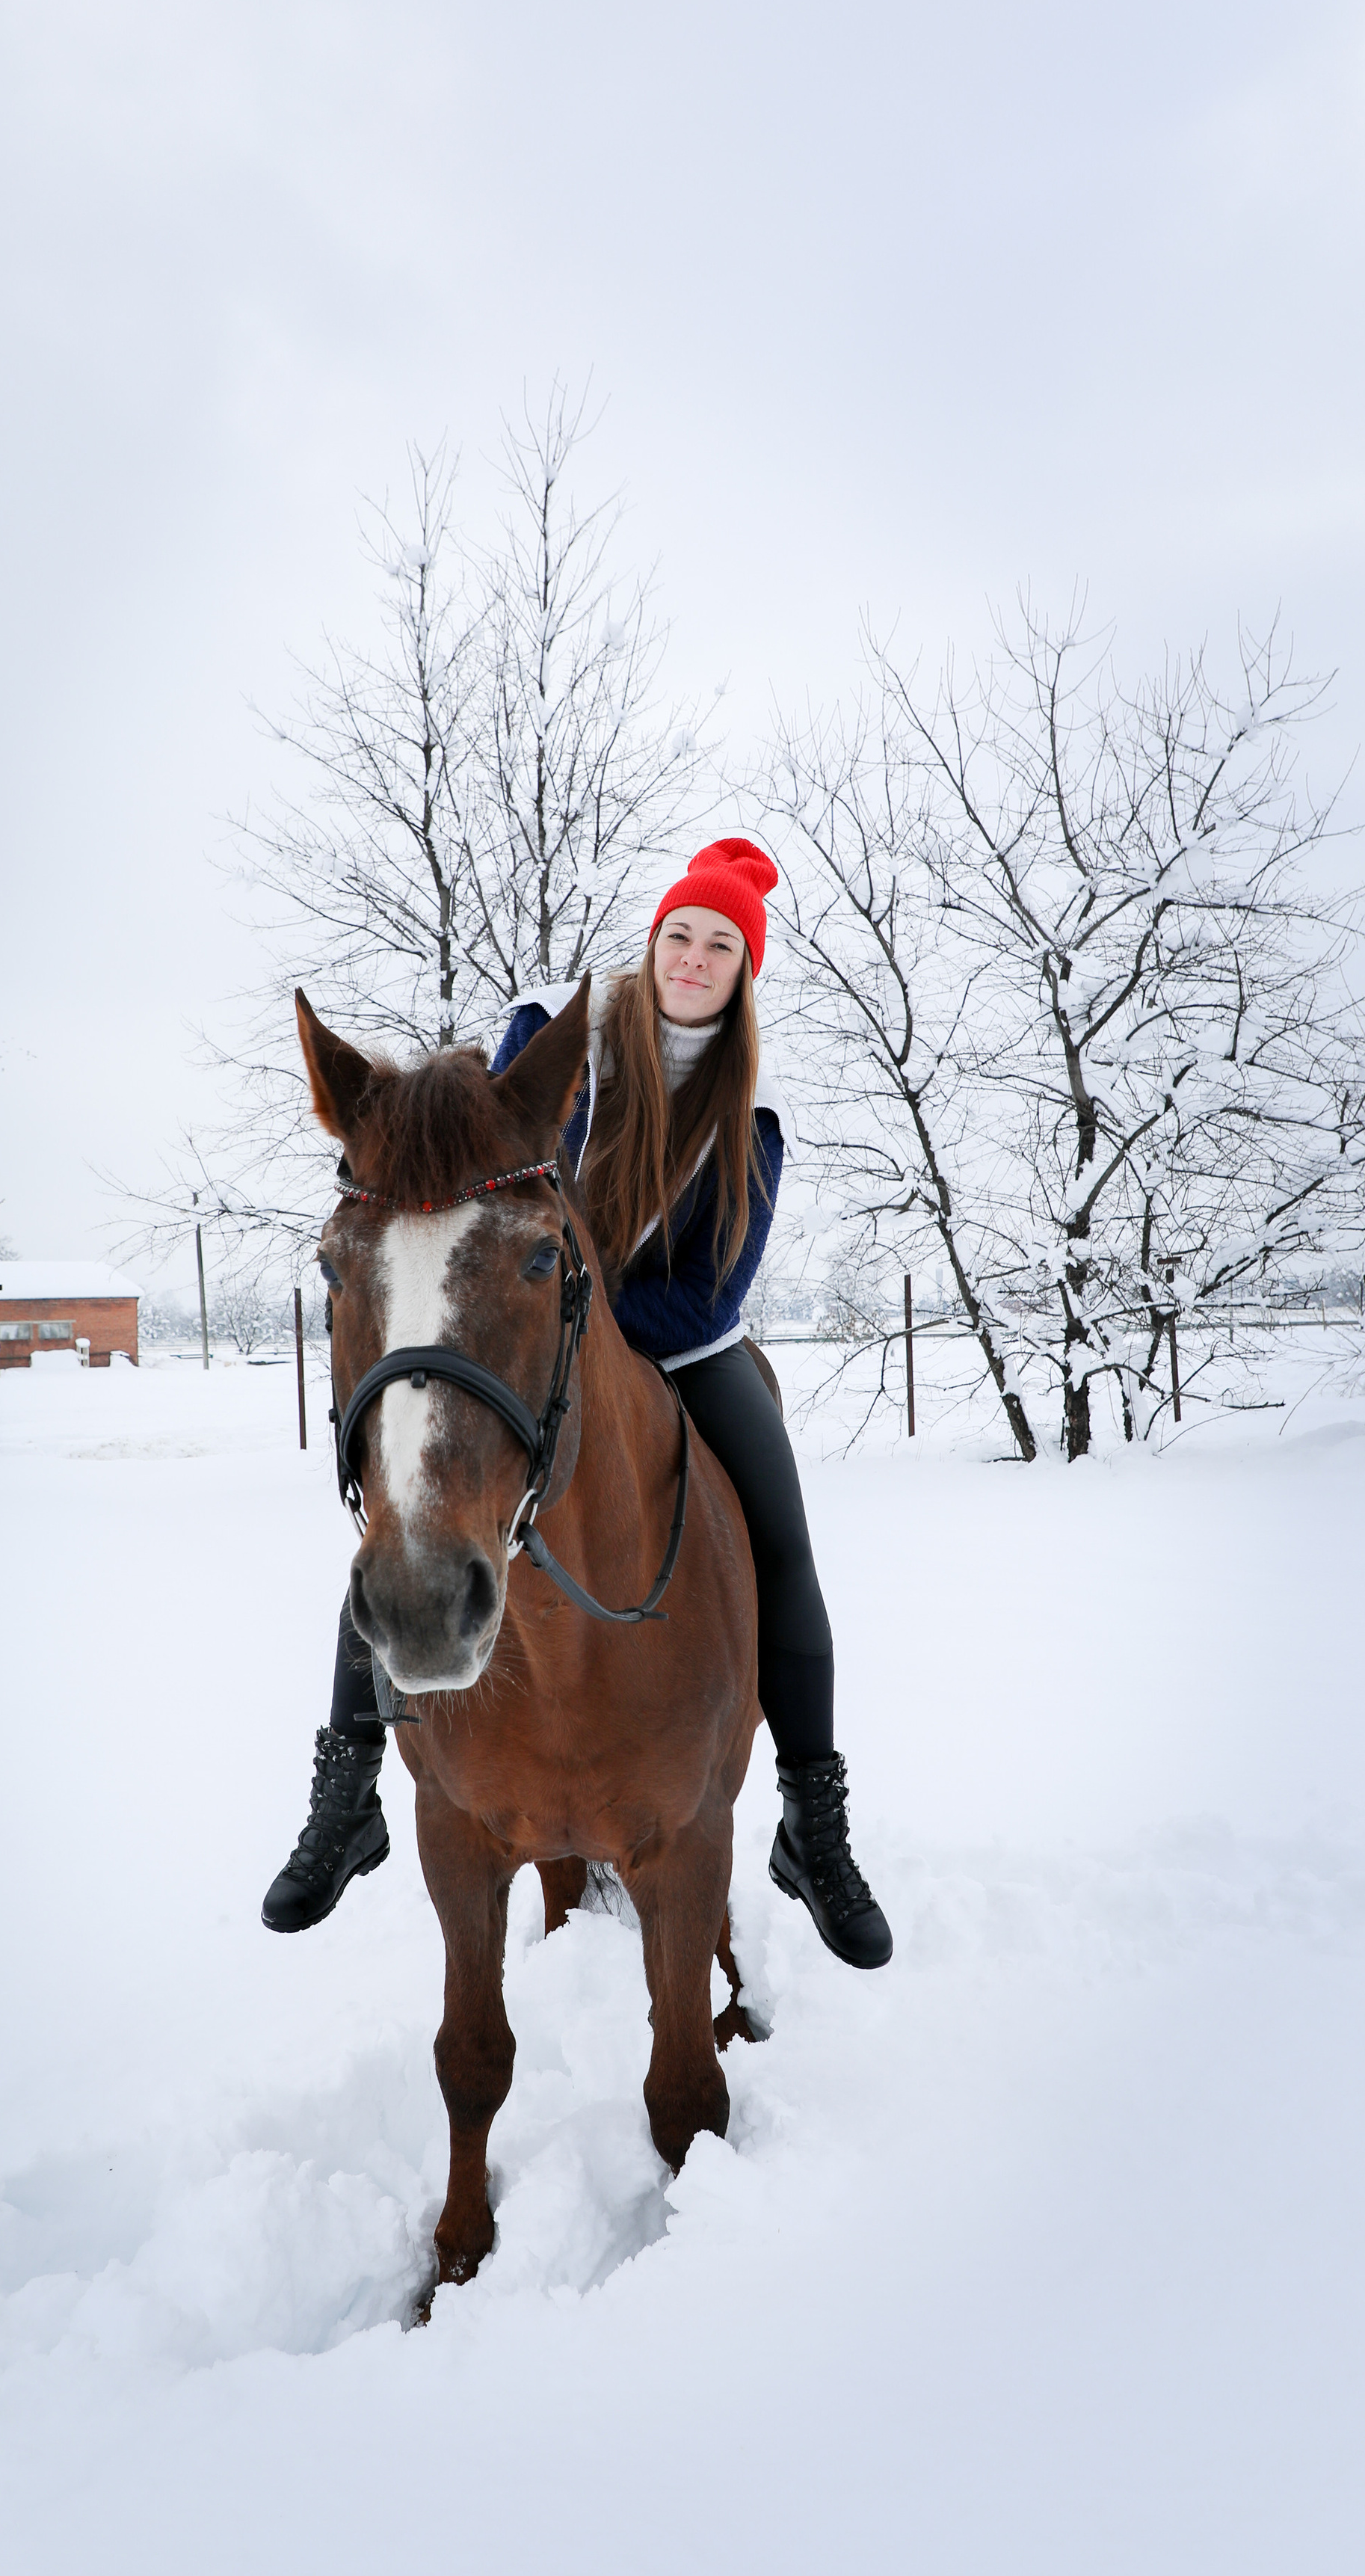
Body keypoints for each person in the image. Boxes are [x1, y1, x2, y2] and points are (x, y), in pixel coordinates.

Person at [262, 835, 893, 1970]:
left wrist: (586, 1323)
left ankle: (815, 1819)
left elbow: (712, 1289)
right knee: (405, 1515)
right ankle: (347, 1787)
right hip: (516, 1328)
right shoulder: (558, 1045)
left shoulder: (752, 1116)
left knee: (786, 1547)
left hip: (682, 1346)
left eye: (720, 946)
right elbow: (472, 1170)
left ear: (744, 972)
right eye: (679, 936)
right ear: (653, 943)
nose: (694, 959)